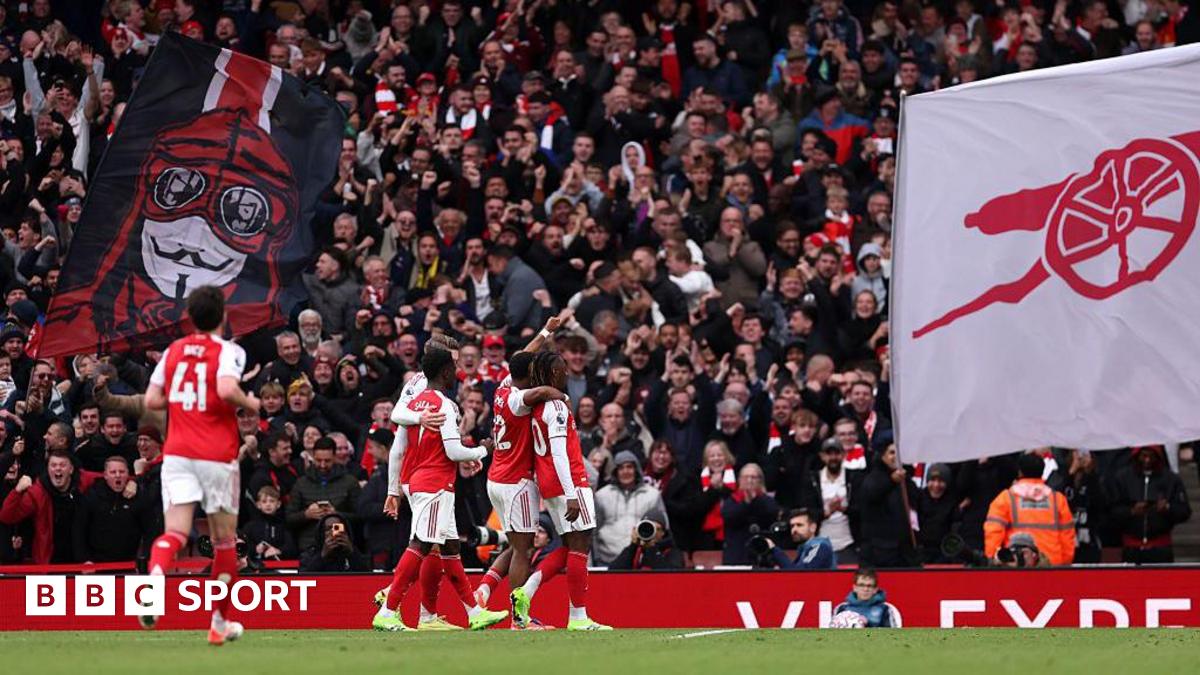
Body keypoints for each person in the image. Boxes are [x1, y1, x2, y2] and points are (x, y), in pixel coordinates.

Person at [141, 286, 260, 645]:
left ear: (190, 317)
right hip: (217, 456)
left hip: (177, 453)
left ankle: (156, 576)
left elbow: (151, 399)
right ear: (222, 315)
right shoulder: (228, 351)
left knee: (175, 532)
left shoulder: (173, 351)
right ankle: (219, 624)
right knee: (224, 542)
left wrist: (183, 405)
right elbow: (225, 390)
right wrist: (248, 401)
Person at [372, 348, 506, 632]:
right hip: (433, 484)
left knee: (450, 546)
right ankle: (388, 610)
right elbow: (454, 450)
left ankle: (473, 612)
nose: (456, 371)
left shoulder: (415, 404)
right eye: (453, 366)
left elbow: (406, 446)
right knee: (421, 543)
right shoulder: (443, 405)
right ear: (445, 371)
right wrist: (483, 450)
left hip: (426, 480)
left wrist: (394, 489)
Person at [509, 351, 612, 631]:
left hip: (549, 482)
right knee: (580, 547)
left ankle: (525, 592)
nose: (567, 373)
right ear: (553, 373)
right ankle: (578, 618)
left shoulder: (538, 406)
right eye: (563, 369)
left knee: (568, 546)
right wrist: (571, 493)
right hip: (568, 482)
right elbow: (559, 453)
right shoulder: (555, 408)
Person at [476, 347, 566, 628]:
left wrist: (546, 333)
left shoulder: (503, 387)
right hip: (516, 482)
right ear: (529, 374)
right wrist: (561, 395)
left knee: (518, 545)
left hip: (496, 478)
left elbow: (523, 354)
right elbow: (540, 394)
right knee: (523, 550)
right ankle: (519, 619)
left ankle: (485, 588)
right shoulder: (517, 400)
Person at [984, 452, 1075, 566]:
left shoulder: (1006, 498)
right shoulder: (1058, 499)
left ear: (1020, 472)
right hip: (1052, 564)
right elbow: (1067, 536)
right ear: (1042, 472)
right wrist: (1065, 564)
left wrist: (992, 561)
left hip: (1018, 564)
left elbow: (993, 533)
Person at [1107, 445, 1191, 564]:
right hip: (1131, 547)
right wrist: (1131, 511)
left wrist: (1167, 508)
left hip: (1160, 547)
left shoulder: (1171, 479)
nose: (1147, 460)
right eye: (1144, 456)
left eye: (1151, 456)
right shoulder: (1122, 478)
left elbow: (1184, 511)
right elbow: (1111, 510)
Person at [593, 451, 670, 566]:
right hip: (606, 561)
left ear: (636, 470)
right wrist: (596, 558)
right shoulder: (601, 495)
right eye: (621, 468)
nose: (625, 471)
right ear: (615, 471)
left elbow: (663, 529)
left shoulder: (652, 495)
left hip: (640, 561)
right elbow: (593, 531)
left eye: (629, 467)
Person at [285, 437, 362, 550]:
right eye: (318, 460)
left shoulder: (350, 482)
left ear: (335, 457)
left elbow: (360, 517)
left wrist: (336, 514)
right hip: (309, 547)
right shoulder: (301, 483)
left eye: (327, 461)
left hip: (340, 545)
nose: (322, 465)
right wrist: (306, 514)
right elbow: (288, 519)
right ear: (313, 457)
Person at [72, 456, 146, 562]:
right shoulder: (91, 496)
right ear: (105, 475)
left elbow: (148, 529)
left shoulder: (137, 497)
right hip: (97, 563)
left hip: (128, 563)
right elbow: (79, 530)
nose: (117, 475)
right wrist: (84, 559)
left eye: (121, 472)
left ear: (128, 474)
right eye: (113, 472)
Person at [721, 463, 781, 565]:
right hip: (737, 553)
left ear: (760, 481)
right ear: (739, 480)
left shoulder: (767, 501)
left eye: (753, 477)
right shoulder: (731, 501)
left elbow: (771, 514)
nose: (749, 480)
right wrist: (746, 503)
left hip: (762, 555)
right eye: (746, 477)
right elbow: (730, 517)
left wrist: (755, 500)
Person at [767, 508, 836, 570]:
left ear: (813, 527)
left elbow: (801, 575)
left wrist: (774, 550)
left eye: (799, 525)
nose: (794, 529)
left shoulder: (820, 546)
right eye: (792, 526)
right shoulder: (804, 548)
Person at [300, 512, 371, 572]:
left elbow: (369, 576)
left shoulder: (356, 551)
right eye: (328, 529)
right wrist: (323, 556)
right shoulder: (310, 554)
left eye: (337, 528)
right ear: (321, 532)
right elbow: (304, 578)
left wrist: (351, 552)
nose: (332, 532)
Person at [831, 568, 899, 628]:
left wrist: (868, 625)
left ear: (875, 589)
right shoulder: (842, 608)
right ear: (855, 587)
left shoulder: (885, 608)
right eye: (861, 585)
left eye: (869, 586)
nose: (865, 589)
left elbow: (891, 634)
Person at [608, 517, 684, 570]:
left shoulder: (672, 551)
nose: (653, 533)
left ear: (663, 533)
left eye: (656, 529)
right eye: (648, 528)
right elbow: (613, 571)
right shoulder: (635, 550)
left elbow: (672, 576)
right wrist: (633, 546)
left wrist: (652, 549)